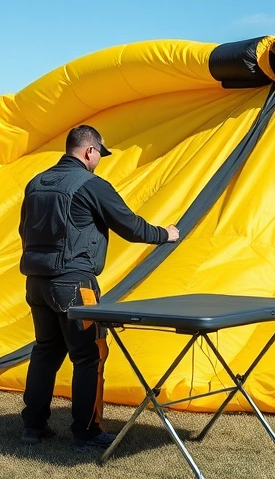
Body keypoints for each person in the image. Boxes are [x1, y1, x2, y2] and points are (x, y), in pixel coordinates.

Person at [18, 124, 180, 450]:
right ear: (90, 151)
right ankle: (87, 432)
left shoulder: (36, 184)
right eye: (99, 155)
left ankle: (33, 427)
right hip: (75, 284)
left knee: (46, 351)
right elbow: (130, 226)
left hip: (36, 282)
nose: (99, 161)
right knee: (89, 355)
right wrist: (166, 234)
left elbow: (24, 230)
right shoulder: (91, 185)